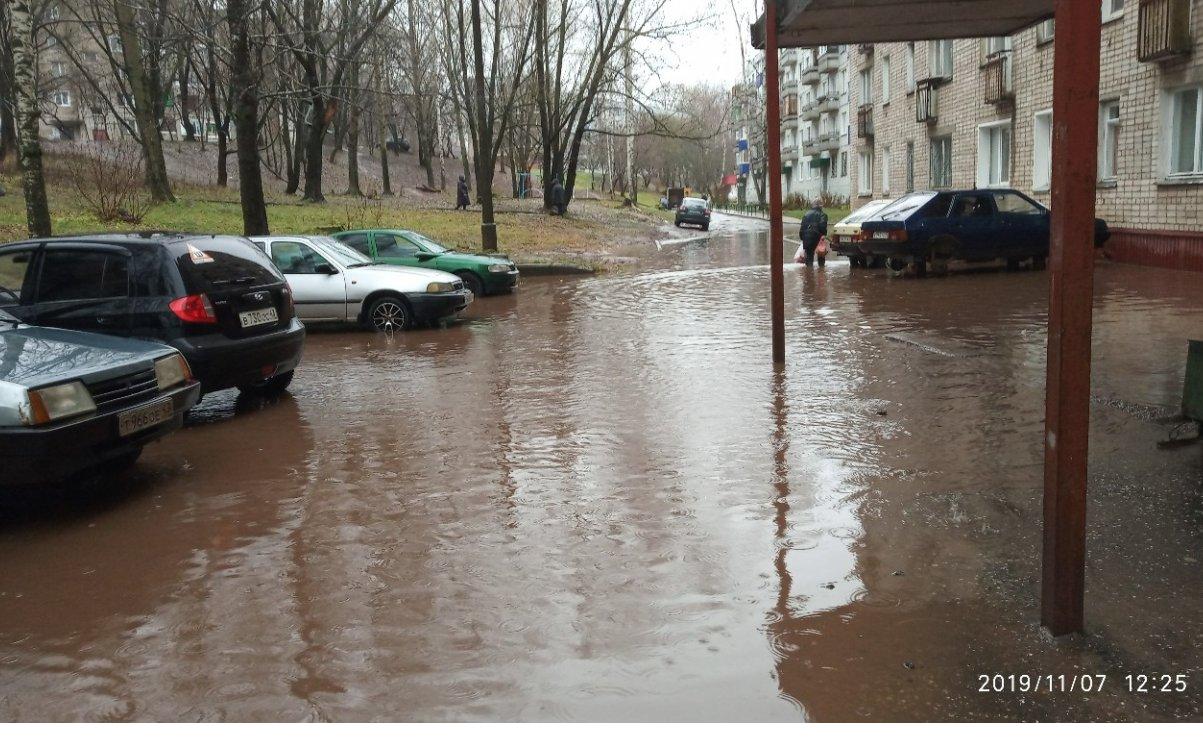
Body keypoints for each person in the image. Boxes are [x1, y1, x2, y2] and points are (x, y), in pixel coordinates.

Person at [799, 199, 829, 267]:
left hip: (806, 238)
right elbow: (822, 227)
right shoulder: (823, 215)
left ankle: (809, 274)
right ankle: (821, 272)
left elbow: (802, 227)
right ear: (821, 206)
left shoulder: (806, 214)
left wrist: (802, 237)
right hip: (817, 237)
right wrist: (824, 234)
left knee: (809, 257)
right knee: (821, 255)